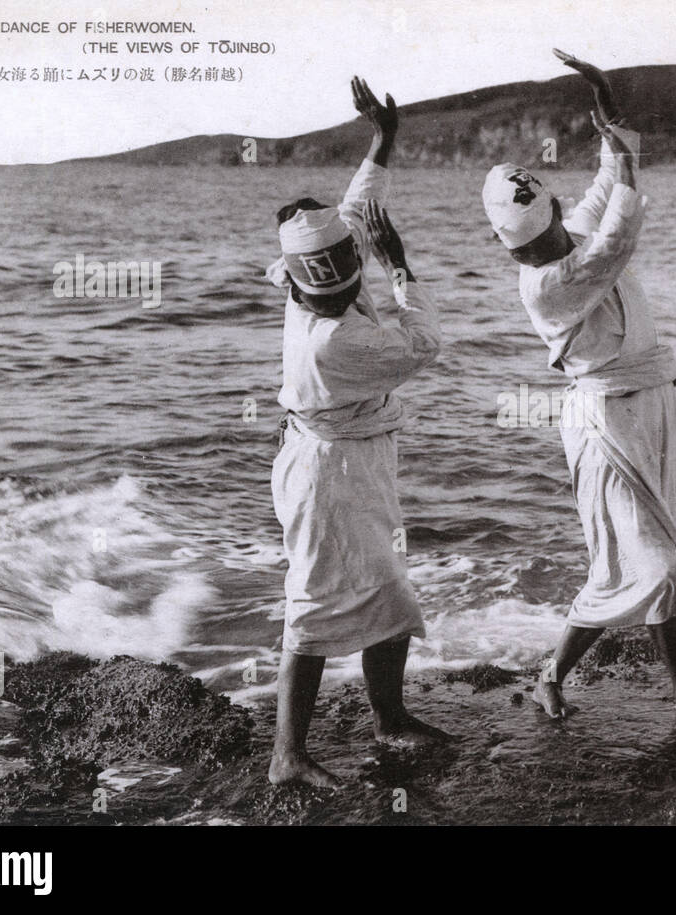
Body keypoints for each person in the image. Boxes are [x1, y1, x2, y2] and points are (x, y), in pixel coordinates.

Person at [482, 49, 676, 725]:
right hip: (603, 423)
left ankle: (564, 673)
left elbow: (605, 189)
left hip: (648, 405)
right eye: (524, 250)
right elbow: (616, 237)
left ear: (554, 213)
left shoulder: (568, 229)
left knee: (639, 557)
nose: (540, 252)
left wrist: (613, 128)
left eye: (545, 236)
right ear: (513, 254)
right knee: (658, 561)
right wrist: (622, 153)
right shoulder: (549, 283)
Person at [266, 77, 447, 787]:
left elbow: (350, 212)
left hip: (349, 457)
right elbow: (427, 342)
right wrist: (400, 266)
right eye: (347, 283)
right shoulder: (333, 342)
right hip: (327, 472)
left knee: (389, 593)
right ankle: (287, 754)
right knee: (314, 604)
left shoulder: (308, 283)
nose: (354, 285)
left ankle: (389, 717)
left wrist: (383, 139)